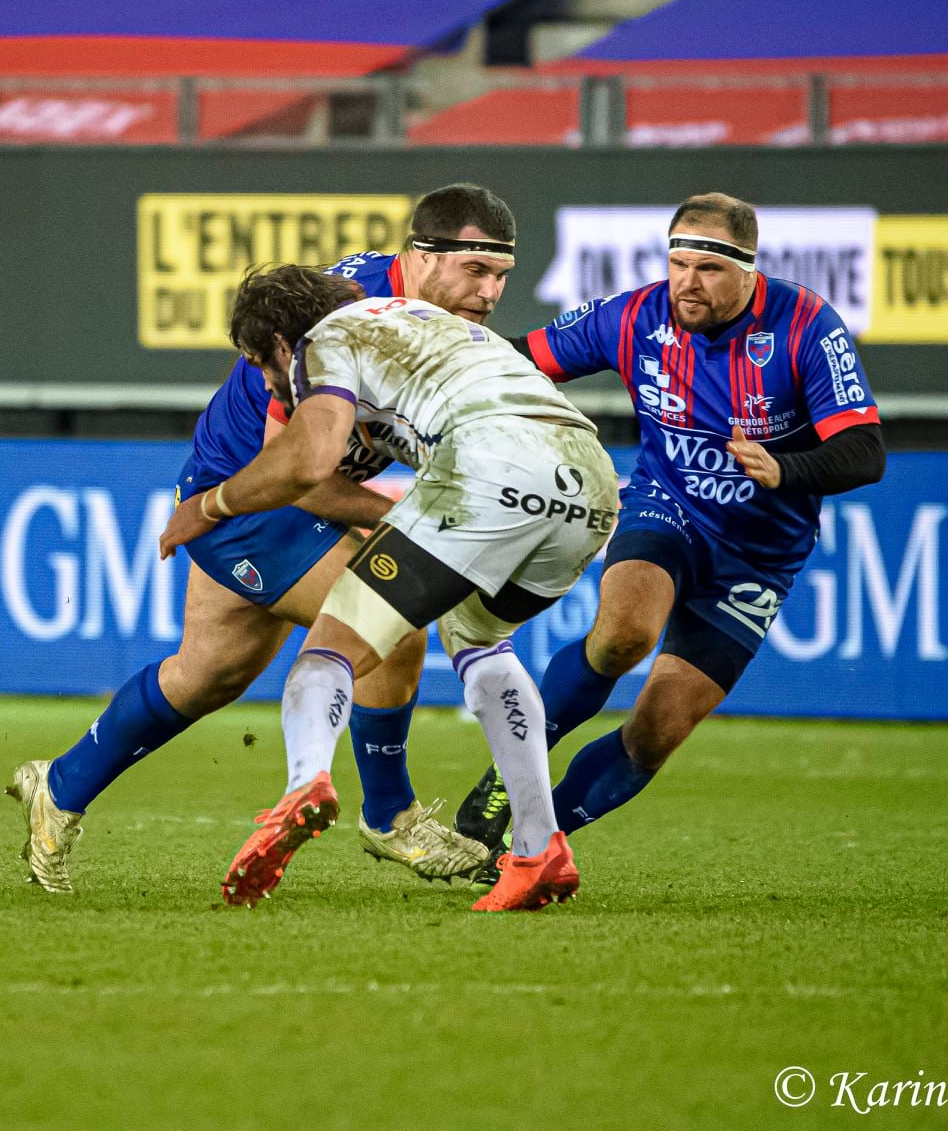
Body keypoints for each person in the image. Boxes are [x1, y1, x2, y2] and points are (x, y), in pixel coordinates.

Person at [8, 185, 519, 893]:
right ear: (421, 257)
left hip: (255, 493)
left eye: (501, 278)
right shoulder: (348, 317)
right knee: (393, 621)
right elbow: (302, 475)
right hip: (253, 501)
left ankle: (58, 786)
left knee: (202, 675)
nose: (491, 294)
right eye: (477, 273)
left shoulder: (428, 320)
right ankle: (391, 815)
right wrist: (406, 516)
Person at [158, 265, 619, 913]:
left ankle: (305, 782)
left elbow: (308, 465)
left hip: (487, 478)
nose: (269, 384)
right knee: (482, 642)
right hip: (590, 481)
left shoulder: (323, 342)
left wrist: (208, 507)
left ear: (284, 345)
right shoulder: (421, 318)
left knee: (331, 649)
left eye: (265, 367)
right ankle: (540, 849)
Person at [452, 193, 886, 861]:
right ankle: (502, 787)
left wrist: (785, 470)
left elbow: (865, 452)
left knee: (655, 733)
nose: (686, 281)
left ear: (749, 271)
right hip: (667, 507)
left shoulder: (805, 327)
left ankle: (528, 848)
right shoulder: (636, 315)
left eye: (708, 269)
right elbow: (520, 359)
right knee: (624, 636)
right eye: (678, 262)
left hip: (759, 554)